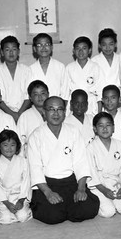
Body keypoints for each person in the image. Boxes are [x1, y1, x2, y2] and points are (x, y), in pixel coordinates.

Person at [27, 96, 100, 224]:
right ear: (44, 112)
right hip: (48, 184)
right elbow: (35, 168)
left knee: (88, 209)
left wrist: (81, 188)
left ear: (65, 112)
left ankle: (67, 207)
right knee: (53, 216)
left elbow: (80, 162)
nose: (56, 113)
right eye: (51, 109)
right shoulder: (36, 136)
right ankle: (63, 208)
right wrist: (48, 193)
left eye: (60, 109)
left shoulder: (73, 131)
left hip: (70, 182)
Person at [87, 112, 121, 218]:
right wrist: (104, 190)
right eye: (100, 125)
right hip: (99, 186)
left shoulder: (120, 145)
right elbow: (92, 173)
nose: (105, 128)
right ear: (94, 129)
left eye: (108, 125)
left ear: (113, 128)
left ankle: (116, 201)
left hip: (116, 184)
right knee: (108, 212)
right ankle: (98, 203)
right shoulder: (90, 148)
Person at [0, 129, 32, 224]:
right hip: (4, 199)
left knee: (22, 217)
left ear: (17, 146)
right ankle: (6, 212)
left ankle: (19, 212)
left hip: (19, 196)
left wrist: (21, 200)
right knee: (5, 219)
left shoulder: (22, 161)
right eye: (5, 145)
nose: (9, 148)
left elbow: (26, 182)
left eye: (12, 145)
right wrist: (7, 203)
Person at [0, 36, 32, 123]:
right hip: (4, 113)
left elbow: (29, 95)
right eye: (7, 50)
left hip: (24, 113)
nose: (11, 52)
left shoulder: (27, 70)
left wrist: (19, 114)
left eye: (14, 49)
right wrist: (12, 114)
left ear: (18, 51)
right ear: (2, 52)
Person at [66, 36, 103, 116]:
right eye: (78, 48)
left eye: (84, 48)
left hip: (91, 105)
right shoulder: (69, 67)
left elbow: (100, 92)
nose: (81, 51)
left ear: (89, 50)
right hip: (74, 105)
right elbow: (66, 92)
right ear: (73, 50)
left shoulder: (96, 67)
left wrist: (99, 113)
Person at [29, 33, 69, 101]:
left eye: (47, 44)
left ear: (51, 47)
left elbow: (65, 93)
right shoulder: (30, 69)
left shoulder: (60, 67)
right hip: (37, 108)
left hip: (57, 107)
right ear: (34, 49)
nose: (44, 47)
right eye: (39, 45)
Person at [17, 80, 48, 149]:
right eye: (36, 94)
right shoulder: (24, 117)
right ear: (30, 98)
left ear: (48, 94)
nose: (40, 97)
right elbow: (20, 142)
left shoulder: (54, 114)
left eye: (42, 93)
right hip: (32, 154)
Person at [92, 28, 121, 95]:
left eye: (110, 44)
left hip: (118, 97)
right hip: (101, 96)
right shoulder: (94, 61)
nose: (107, 48)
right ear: (99, 45)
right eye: (104, 45)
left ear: (115, 44)